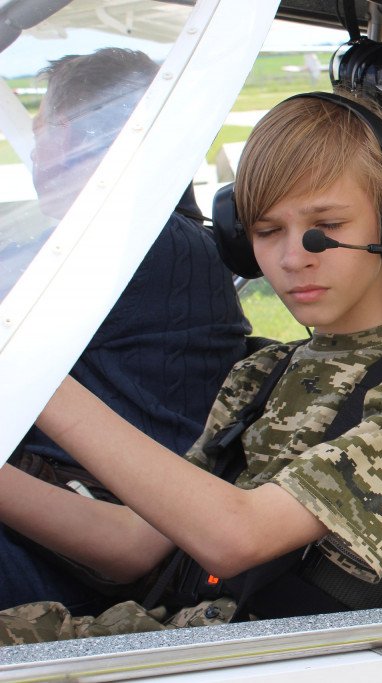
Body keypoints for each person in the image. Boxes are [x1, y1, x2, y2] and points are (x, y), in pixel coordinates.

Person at [0, 92, 382, 644]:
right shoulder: (263, 374)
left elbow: (238, 536)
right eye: (265, 232)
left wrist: (33, 373)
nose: (292, 258)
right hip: (179, 633)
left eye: (325, 227)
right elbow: (134, 546)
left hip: (272, 655)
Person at [0, 48, 250, 612]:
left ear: (80, 135)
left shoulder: (136, 246)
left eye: (45, 132)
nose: (39, 153)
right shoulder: (152, 239)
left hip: (79, 568)